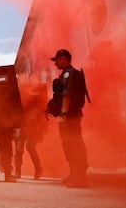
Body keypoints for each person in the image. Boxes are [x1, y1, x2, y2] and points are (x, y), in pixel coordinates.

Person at [49, 49, 89, 188]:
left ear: (64, 58)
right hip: (71, 115)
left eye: (57, 60)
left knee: (73, 145)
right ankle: (74, 174)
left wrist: (64, 114)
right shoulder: (68, 73)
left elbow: (67, 95)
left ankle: (80, 177)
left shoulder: (68, 74)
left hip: (70, 116)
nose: (55, 64)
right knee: (69, 145)